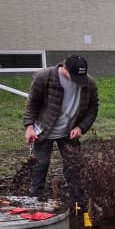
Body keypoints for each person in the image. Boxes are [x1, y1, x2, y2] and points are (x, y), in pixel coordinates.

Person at [22, 55, 99, 208]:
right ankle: (35, 202)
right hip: (44, 130)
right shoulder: (45, 77)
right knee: (40, 164)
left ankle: (77, 204)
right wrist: (29, 127)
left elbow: (93, 108)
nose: (77, 80)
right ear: (64, 68)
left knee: (74, 166)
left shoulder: (88, 83)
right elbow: (32, 103)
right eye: (74, 76)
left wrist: (80, 127)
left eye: (80, 76)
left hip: (69, 131)